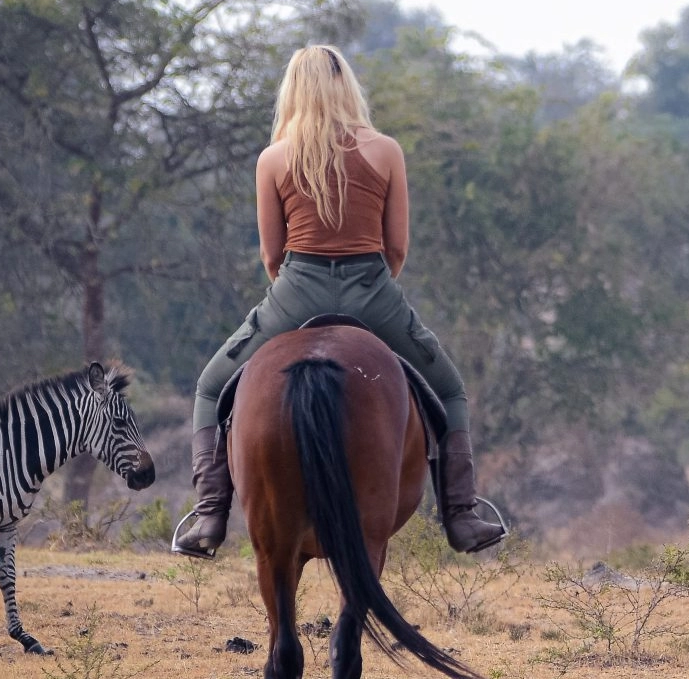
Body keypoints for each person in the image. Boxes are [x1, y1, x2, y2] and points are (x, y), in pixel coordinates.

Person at [173, 44, 506, 559]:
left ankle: (210, 515)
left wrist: (296, 291)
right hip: (372, 290)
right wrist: (371, 290)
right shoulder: (386, 150)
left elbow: (270, 253)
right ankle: (461, 514)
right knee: (450, 390)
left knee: (211, 386)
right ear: (347, 86)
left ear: (294, 92)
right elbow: (397, 248)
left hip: (295, 290)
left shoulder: (274, 158)